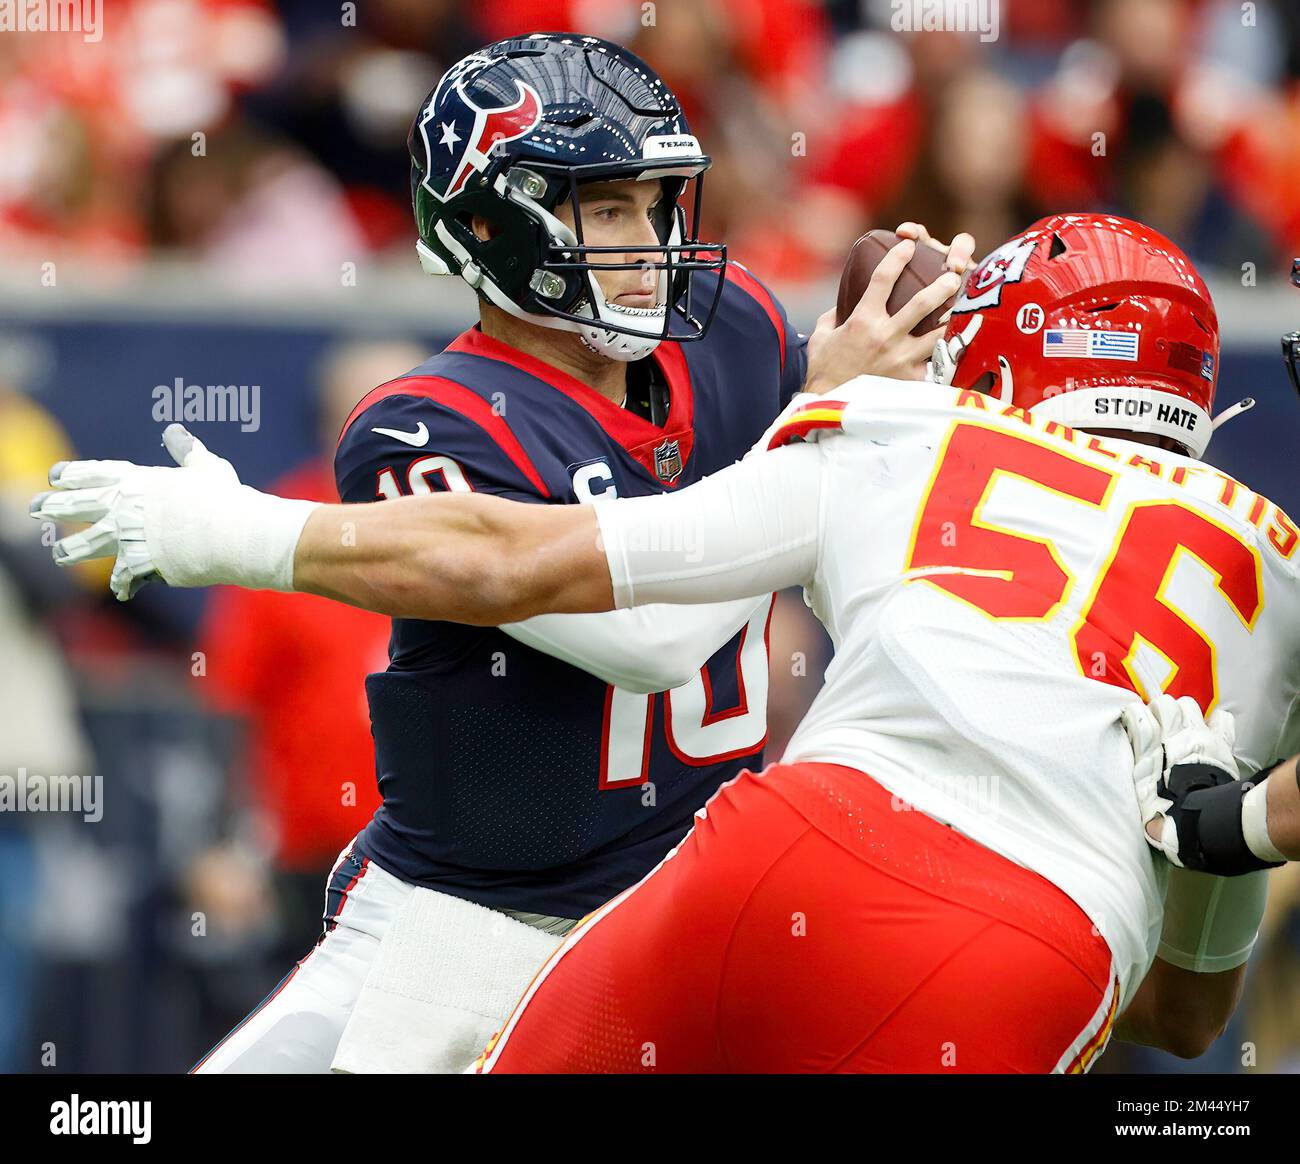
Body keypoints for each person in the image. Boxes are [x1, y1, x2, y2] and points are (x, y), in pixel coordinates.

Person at [36, 213, 1296, 1072]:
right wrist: (1212, 833)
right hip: (1023, 942)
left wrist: (245, 529)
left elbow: (522, 558)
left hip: (768, 861)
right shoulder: (1275, 564)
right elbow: (1184, 1017)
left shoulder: (904, 437)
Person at [35, 33, 968, 1074]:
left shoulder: (735, 329)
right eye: (606, 208)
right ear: (486, 223)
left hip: (695, 905)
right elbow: (648, 633)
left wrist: (931, 370)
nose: (650, 241)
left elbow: (862, 520)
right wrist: (823, 424)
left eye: (658, 205)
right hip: (477, 926)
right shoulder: (426, 422)